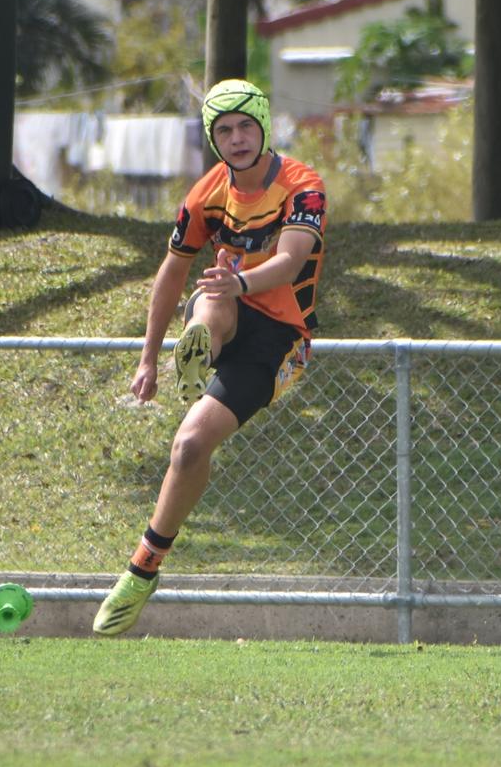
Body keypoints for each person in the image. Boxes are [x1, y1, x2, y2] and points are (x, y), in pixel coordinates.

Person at [93, 78, 327, 636]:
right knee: (210, 300)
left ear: (264, 127)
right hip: (226, 311)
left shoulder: (303, 185)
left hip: (282, 340)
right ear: (212, 138)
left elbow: (292, 261)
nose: (238, 137)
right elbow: (172, 270)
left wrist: (240, 283)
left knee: (193, 443)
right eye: (225, 129)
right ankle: (196, 354)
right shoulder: (206, 192)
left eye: (247, 125)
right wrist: (148, 358)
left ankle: (143, 567)